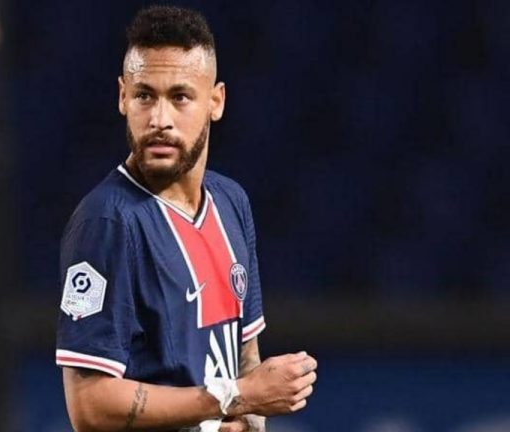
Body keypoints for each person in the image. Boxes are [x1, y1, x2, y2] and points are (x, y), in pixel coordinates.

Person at [55, 6, 317, 432]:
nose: (159, 120)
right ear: (122, 97)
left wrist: (248, 420)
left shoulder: (231, 203)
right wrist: (235, 397)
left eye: (180, 97)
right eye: (144, 96)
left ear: (216, 101)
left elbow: (245, 356)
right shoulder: (107, 223)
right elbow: (89, 406)